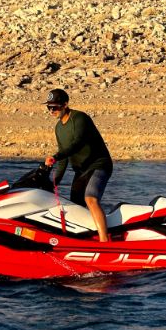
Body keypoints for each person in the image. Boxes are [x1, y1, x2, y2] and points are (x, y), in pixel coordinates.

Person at [43, 88, 113, 242]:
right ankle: (83, 240)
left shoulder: (80, 118)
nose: (51, 111)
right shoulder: (59, 128)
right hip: (81, 170)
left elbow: (77, 144)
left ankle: (104, 242)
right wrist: (56, 181)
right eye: (49, 107)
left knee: (90, 198)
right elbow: (64, 158)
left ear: (65, 104)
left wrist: (55, 156)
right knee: (75, 207)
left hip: (99, 165)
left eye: (55, 107)